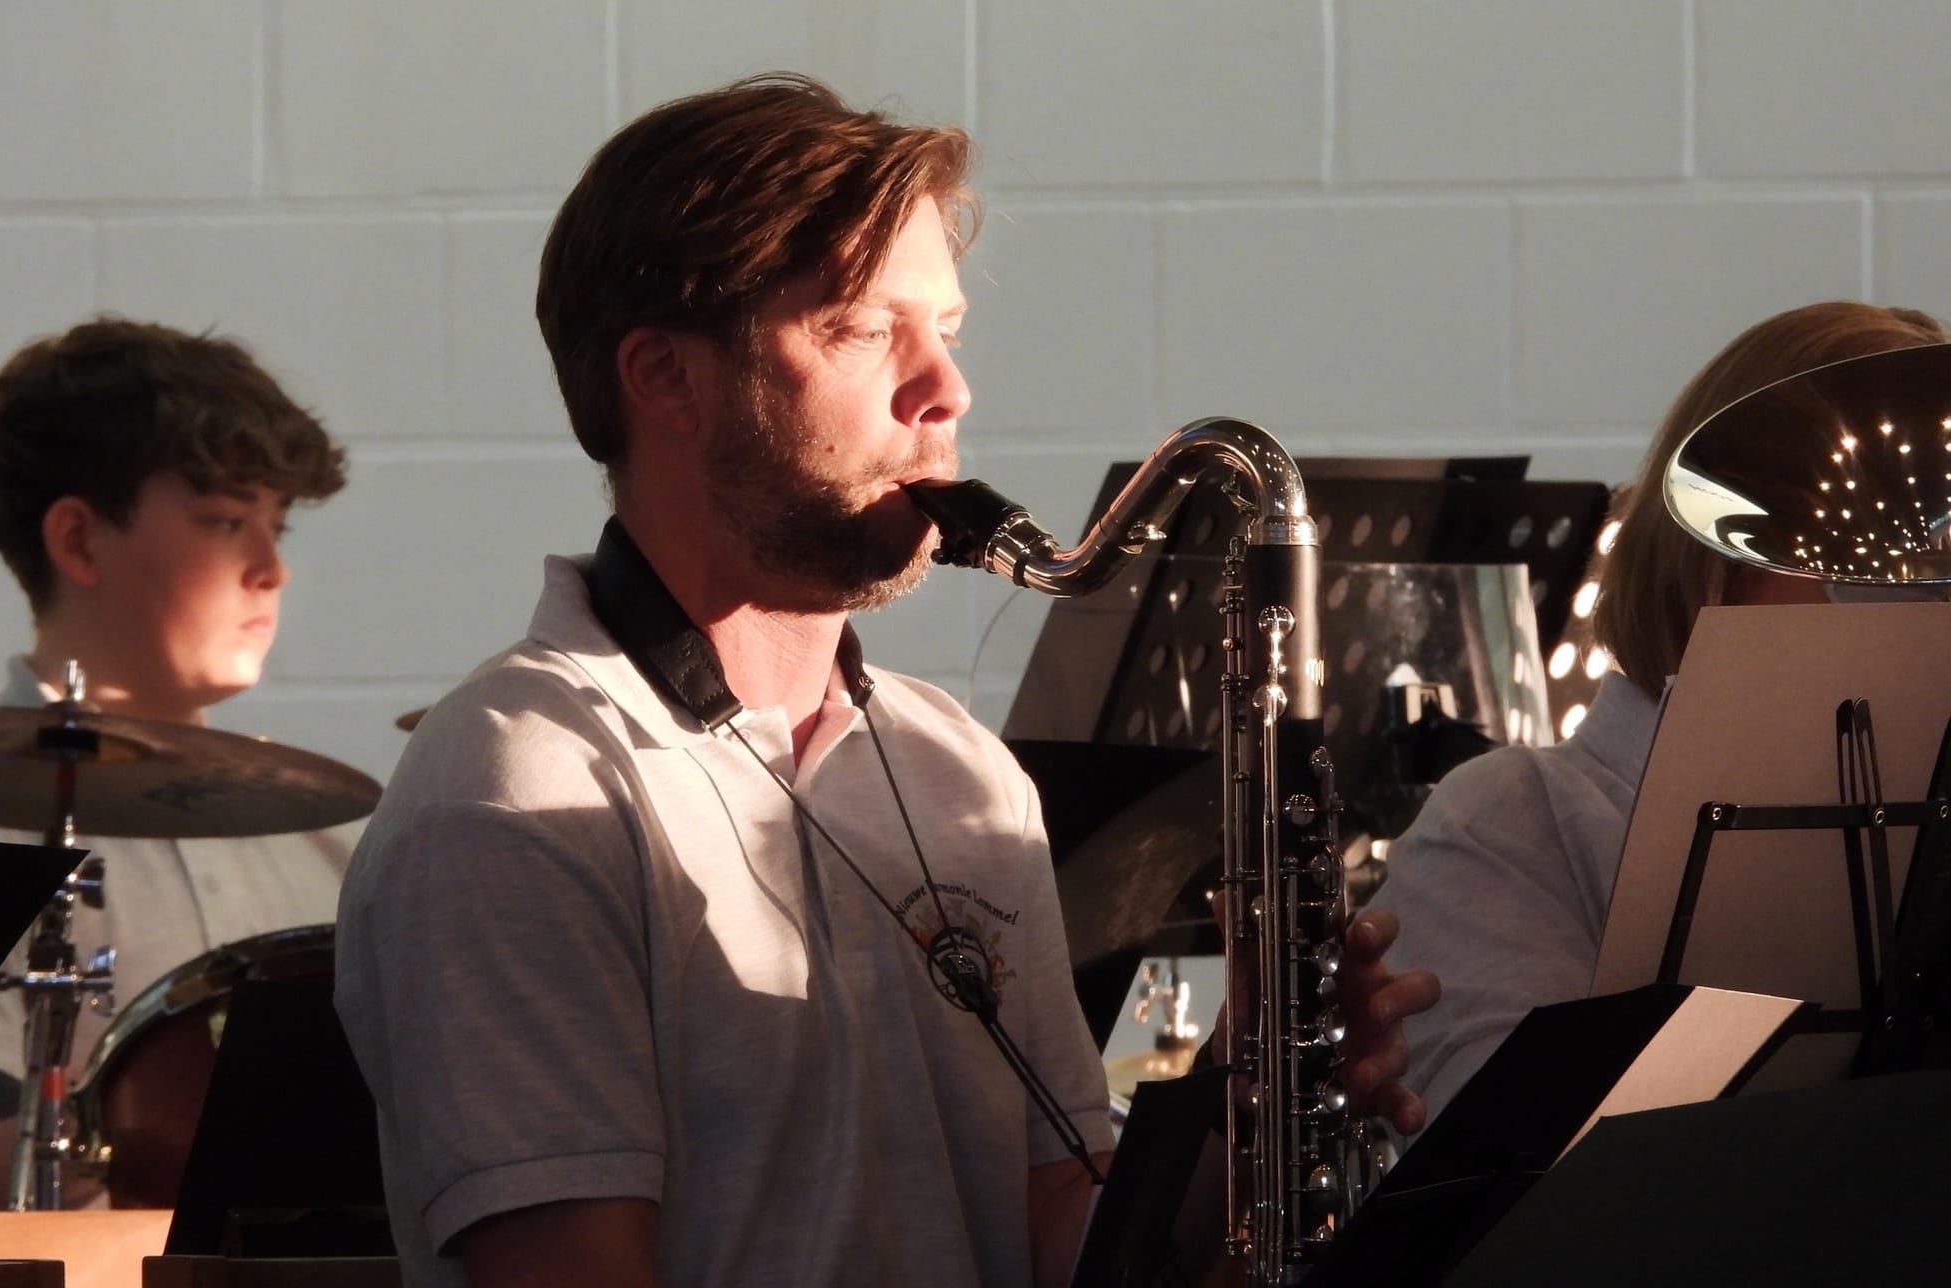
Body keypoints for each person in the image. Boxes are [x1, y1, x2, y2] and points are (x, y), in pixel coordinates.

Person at [335, 73, 1437, 1288]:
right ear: (665, 377)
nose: (946, 390)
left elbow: (1055, 1226)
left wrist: (1238, 1114)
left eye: (945, 330)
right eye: (862, 329)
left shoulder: (953, 764)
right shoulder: (520, 786)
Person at [1371, 301, 1951, 1121]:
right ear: (1714, 560)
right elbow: (1516, 1167)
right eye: (1858, 559)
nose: (1916, 608)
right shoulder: (1513, 818)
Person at [0, 316, 354, 1205]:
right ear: (79, 540)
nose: (272, 569)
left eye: (278, 525)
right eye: (225, 521)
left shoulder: (337, 842)